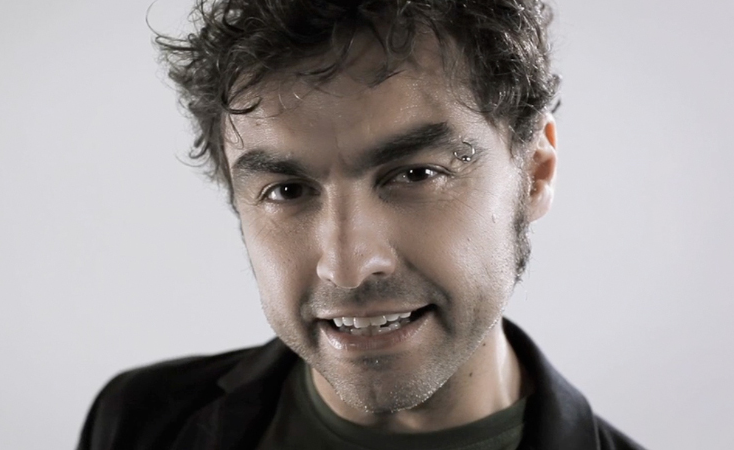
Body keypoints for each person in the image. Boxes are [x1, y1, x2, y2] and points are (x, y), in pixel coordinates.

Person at [78, 0, 644, 448]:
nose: (348, 267)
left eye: (417, 174)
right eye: (287, 190)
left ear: (535, 173)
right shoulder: (137, 420)